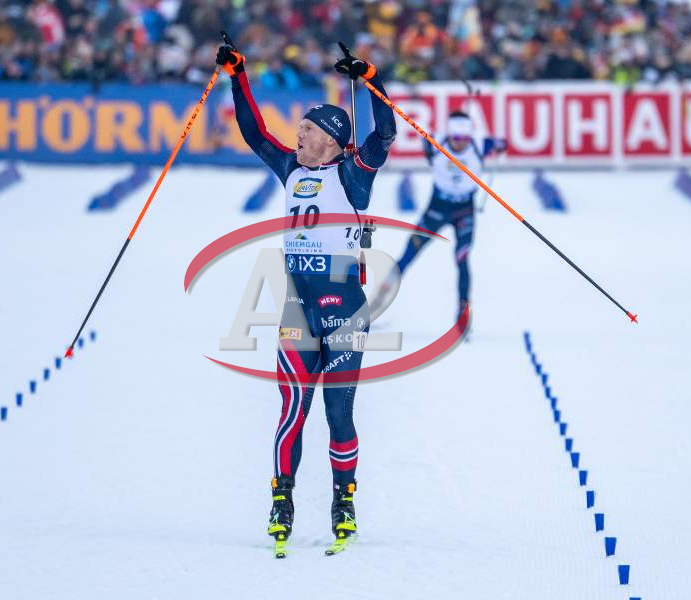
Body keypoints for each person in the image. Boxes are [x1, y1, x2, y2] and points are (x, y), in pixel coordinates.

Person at [215, 39, 396, 553]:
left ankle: (344, 502)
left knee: (338, 413)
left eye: (308, 131)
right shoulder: (291, 170)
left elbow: (385, 132)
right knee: (292, 410)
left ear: (332, 141)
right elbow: (254, 133)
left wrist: (370, 79)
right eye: (298, 130)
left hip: (346, 315)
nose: (297, 136)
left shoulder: (353, 174)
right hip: (298, 310)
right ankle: (282, 503)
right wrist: (238, 74)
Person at [375, 112, 506, 322]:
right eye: (456, 138)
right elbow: (425, 145)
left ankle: (462, 314)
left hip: (464, 210)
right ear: (449, 134)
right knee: (408, 254)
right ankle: (376, 303)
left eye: (465, 138)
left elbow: (502, 143)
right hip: (437, 208)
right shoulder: (435, 142)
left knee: (462, 259)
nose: (461, 143)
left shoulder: (480, 144)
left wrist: (500, 145)